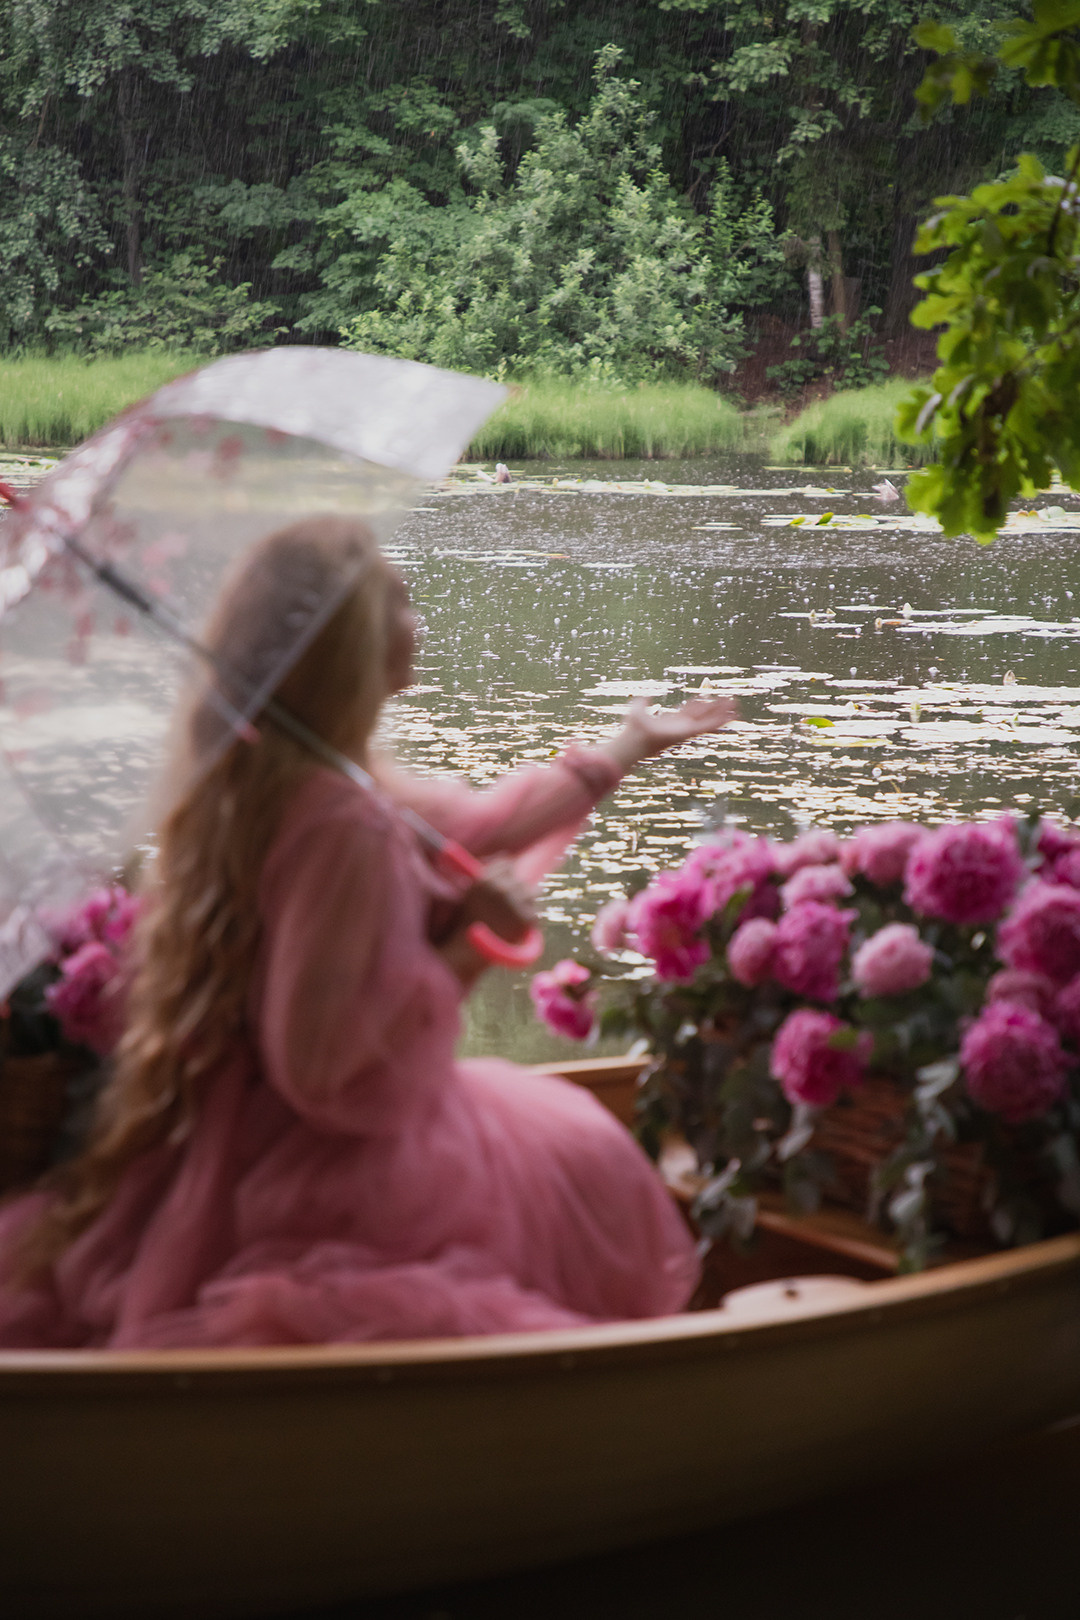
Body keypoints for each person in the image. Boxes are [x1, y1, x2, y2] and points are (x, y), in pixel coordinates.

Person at [0, 516, 735, 1348]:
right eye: (399, 605)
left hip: (226, 1131)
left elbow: (480, 824)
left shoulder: (274, 778)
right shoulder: (345, 824)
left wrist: (623, 749)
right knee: (587, 1161)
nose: (418, 626)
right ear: (343, 644)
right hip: (318, 1159)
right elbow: (324, 1068)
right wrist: (467, 946)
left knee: (576, 1146)